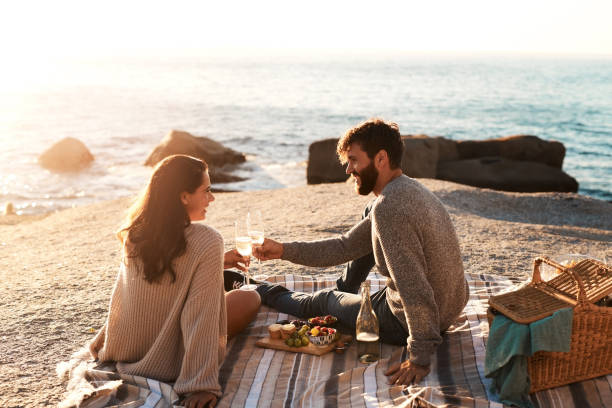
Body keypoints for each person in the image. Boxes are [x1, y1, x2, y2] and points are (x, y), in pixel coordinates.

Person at [253, 119, 469, 386]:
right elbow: (345, 246)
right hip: (449, 306)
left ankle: (257, 290)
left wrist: (419, 357)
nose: (347, 169)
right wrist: (283, 250)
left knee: (321, 301)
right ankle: (346, 292)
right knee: (371, 210)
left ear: (381, 159)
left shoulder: (390, 208)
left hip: (411, 321)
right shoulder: (409, 189)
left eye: (354, 160)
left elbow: (413, 286)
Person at [88, 155, 260, 408]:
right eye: (207, 191)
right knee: (249, 297)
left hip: (127, 348)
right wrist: (200, 384)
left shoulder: (136, 232)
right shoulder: (208, 239)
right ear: (183, 197)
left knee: (221, 293)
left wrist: (106, 343)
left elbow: (128, 295)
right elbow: (199, 313)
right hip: (172, 361)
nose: (212, 199)